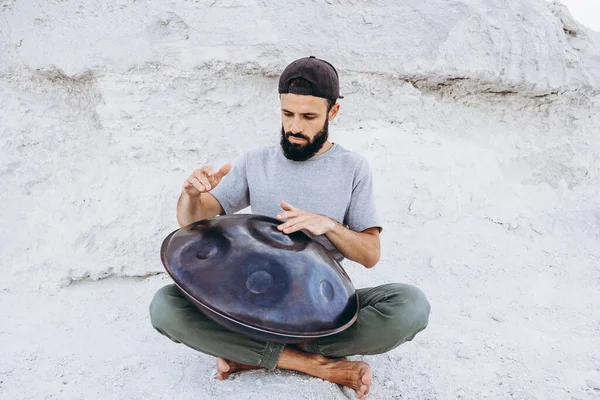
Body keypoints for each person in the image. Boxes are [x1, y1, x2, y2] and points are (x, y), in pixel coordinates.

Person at [149, 56, 431, 399]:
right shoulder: (257, 161)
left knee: (411, 305)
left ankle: (253, 356)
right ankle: (312, 364)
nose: (295, 127)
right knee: (165, 306)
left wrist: (328, 226)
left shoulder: (353, 168)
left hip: (318, 311)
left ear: (333, 113)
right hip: (250, 307)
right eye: (288, 114)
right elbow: (193, 222)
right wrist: (191, 194)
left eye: (309, 117)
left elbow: (370, 254)